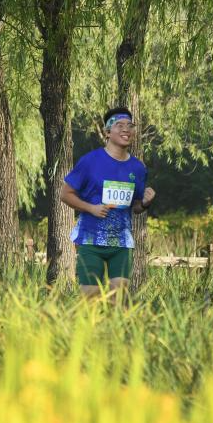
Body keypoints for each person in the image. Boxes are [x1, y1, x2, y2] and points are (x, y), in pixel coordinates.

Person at [58, 106, 157, 298]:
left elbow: (136, 207)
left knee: (117, 298)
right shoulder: (90, 161)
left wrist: (145, 203)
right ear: (107, 132)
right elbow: (65, 194)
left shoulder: (138, 168)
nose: (126, 129)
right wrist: (91, 208)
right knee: (91, 297)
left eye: (130, 125)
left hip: (122, 243)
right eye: (119, 125)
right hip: (91, 239)